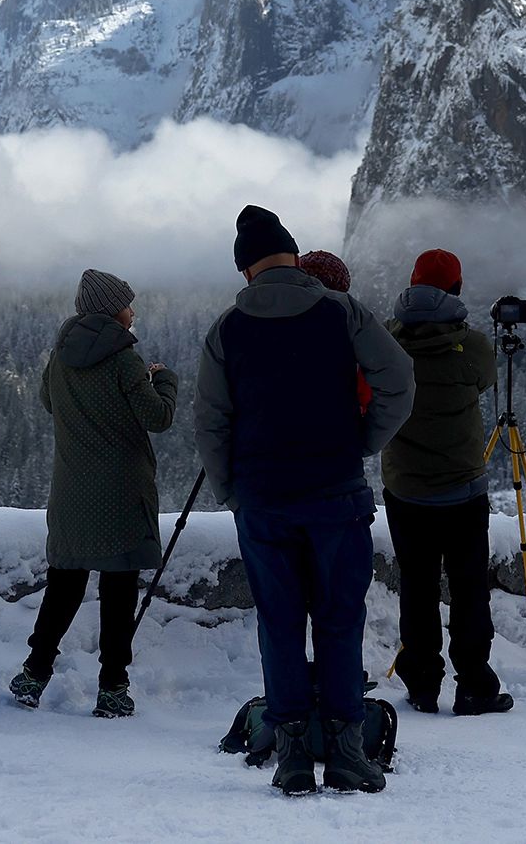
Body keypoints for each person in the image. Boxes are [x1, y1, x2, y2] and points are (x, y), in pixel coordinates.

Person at [195, 205, 414, 796]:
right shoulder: (341, 312)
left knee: (281, 624)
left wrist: (231, 490)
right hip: (336, 495)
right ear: (294, 257)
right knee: (340, 622)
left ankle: (291, 754)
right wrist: (361, 443)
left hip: (263, 503)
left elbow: (210, 422)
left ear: (246, 270)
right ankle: (346, 753)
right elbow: (398, 380)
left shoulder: (226, 329)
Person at [9, 269, 178, 717]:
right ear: (112, 310)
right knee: (118, 594)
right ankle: (112, 688)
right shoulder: (124, 360)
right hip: (120, 493)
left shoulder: (61, 356)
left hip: (71, 492)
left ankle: (33, 674)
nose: (133, 311)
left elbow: (49, 401)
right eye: (128, 304)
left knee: (63, 587)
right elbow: (157, 417)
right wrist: (164, 380)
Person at [381, 248, 508, 717]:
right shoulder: (473, 345)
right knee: (469, 588)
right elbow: (484, 382)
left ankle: (422, 684)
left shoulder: (388, 341)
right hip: (462, 488)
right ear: (455, 289)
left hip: (406, 489)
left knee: (417, 586)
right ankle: (474, 685)